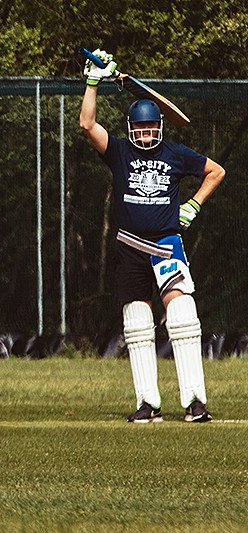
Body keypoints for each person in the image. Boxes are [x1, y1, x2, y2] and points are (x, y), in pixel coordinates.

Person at [79, 49, 226, 423]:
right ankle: (148, 404)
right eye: (140, 129)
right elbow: (87, 125)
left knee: (182, 316)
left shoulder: (176, 153)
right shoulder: (119, 152)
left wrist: (193, 205)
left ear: (160, 127)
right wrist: (92, 82)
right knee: (138, 324)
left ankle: (195, 402)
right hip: (130, 246)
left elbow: (216, 171)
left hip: (166, 244)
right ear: (131, 129)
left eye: (150, 129)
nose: (145, 135)